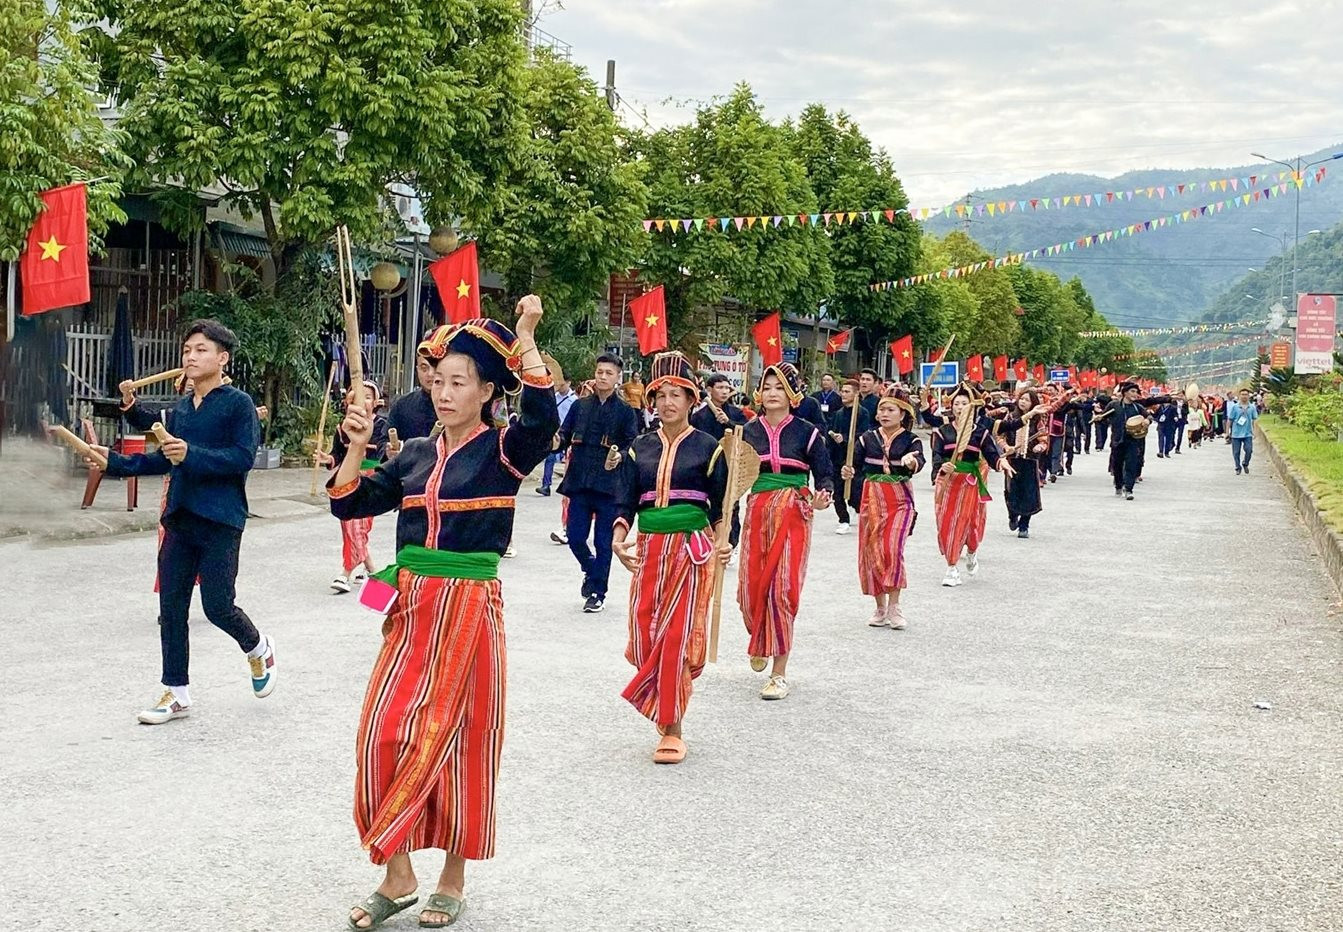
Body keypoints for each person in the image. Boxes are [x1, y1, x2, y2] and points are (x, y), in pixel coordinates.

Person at [331, 300, 557, 931]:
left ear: (487, 391)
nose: (444, 391)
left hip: (469, 609)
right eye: (438, 380)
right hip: (408, 606)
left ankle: (453, 878)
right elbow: (349, 504)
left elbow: (541, 414)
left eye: (460, 382)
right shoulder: (412, 455)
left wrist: (528, 338)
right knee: (380, 734)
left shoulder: (505, 453)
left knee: (466, 743)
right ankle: (398, 873)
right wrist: (353, 446)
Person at [91, 319, 275, 725]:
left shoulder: (238, 404)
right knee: (171, 608)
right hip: (180, 517)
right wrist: (114, 462)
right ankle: (176, 692)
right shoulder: (181, 409)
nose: (191, 356)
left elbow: (242, 459)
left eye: (201, 350)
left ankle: (258, 646)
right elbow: (164, 458)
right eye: (187, 349)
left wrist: (190, 453)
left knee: (217, 607)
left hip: (221, 519)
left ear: (222, 359)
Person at [611, 351, 729, 764]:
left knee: (676, 638)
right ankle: (665, 696)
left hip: (692, 552)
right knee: (645, 640)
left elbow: (721, 508)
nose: (668, 402)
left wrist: (722, 541)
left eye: (677, 394)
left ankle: (672, 727)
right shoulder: (637, 448)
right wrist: (619, 536)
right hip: (649, 552)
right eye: (660, 395)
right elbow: (625, 501)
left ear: (692, 398)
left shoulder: (710, 447)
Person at [737, 363, 833, 699]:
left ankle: (778, 674)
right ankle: (759, 636)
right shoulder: (746, 432)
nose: (773, 393)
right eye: (768, 387)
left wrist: (823, 494)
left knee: (782, 591)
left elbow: (824, 473)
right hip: (757, 513)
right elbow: (733, 479)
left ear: (792, 394)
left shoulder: (806, 432)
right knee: (750, 592)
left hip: (794, 513)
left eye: (780, 387)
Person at [554, 354, 641, 613]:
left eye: (608, 373)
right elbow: (564, 436)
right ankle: (590, 570)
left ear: (617, 378)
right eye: (600, 371)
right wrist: (553, 441)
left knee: (604, 543)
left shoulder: (626, 412)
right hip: (580, 481)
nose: (603, 376)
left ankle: (597, 593)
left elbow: (631, 444)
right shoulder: (579, 406)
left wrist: (620, 456)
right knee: (575, 538)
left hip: (609, 485)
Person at [841, 391, 924, 628]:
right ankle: (879, 606)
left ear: (903, 413)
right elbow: (853, 464)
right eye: (881, 410)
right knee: (872, 551)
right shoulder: (867, 438)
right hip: (871, 497)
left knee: (891, 549)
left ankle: (895, 605)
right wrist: (848, 471)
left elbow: (919, 461)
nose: (884, 414)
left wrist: (912, 462)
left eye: (890, 410)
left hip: (899, 498)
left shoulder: (911, 440)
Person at [927, 382, 1011, 587]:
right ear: (951, 407)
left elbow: (992, 455)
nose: (960, 407)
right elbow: (937, 455)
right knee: (947, 522)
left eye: (965, 403)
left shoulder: (980, 432)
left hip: (969, 483)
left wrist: (1002, 462)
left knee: (970, 523)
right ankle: (952, 566)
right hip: (948, 482)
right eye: (957, 403)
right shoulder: (942, 432)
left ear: (972, 406)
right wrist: (942, 467)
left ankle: (972, 551)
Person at [317, 381, 389, 593]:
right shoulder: (342, 427)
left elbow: (387, 454)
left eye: (367, 396)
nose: (360, 400)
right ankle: (370, 571)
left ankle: (347, 572)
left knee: (358, 527)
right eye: (355, 395)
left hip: (371, 479)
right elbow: (337, 455)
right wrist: (327, 458)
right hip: (346, 478)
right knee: (349, 526)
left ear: (376, 402)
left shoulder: (382, 425)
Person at [1104, 381, 1172, 500]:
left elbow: (1149, 416)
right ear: (1125, 393)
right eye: (1132, 391)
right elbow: (1104, 418)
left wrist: (1147, 421)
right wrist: (1099, 417)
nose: (1135, 394)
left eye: (1136, 392)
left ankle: (1129, 489)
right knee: (1117, 465)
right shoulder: (1114, 405)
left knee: (1131, 464)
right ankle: (1119, 485)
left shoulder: (1138, 407)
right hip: (1117, 440)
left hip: (1133, 440)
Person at [995, 390, 1049, 539]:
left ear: (1033, 403)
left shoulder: (1037, 420)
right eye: (1021, 399)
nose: (1023, 402)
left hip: (1030, 461)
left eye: (1027, 400)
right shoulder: (1011, 417)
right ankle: (1012, 515)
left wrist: (1040, 446)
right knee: (1010, 490)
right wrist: (1006, 447)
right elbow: (1000, 435)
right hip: (1012, 461)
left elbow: (1044, 439)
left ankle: (1024, 525)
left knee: (1028, 494)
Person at [827, 379, 873, 535]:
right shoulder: (838, 413)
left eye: (847, 392)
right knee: (837, 491)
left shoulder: (862, 413)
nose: (843, 394)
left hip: (856, 459)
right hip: (838, 458)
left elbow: (864, 435)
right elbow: (831, 431)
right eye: (842, 391)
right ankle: (843, 519)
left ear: (855, 394)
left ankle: (859, 510)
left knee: (856, 491)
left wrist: (845, 439)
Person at [386, 341, 439, 441]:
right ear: (417, 369)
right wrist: (389, 450)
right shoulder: (402, 405)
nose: (430, 374)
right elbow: (384, 440)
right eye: (424, 368)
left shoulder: (456, 406)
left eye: (435, 367)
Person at [536, 375, 576, 496]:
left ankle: (570, 485)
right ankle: (546, 485)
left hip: (569, 434)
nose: (560, 386)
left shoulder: (574, 400)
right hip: (555, 433)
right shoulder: (555, 398)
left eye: (562, 383)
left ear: (569, 383)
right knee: (550, 458)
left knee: (571, 460)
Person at [1228, 388, 1259, 475]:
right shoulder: (1235, 407)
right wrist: (1227, 432)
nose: (1244, 396)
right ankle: (1237, 467)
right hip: (1236, 433)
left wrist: (1255, 432)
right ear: (1239, 396)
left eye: (1246, 394)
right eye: (1242, 394)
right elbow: (1230, 420)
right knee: (1236, 452)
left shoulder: (1252, 407)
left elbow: (1254, 420)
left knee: (1249, 450)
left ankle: (1245, 463)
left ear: (1248, 396)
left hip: (1247, 433)